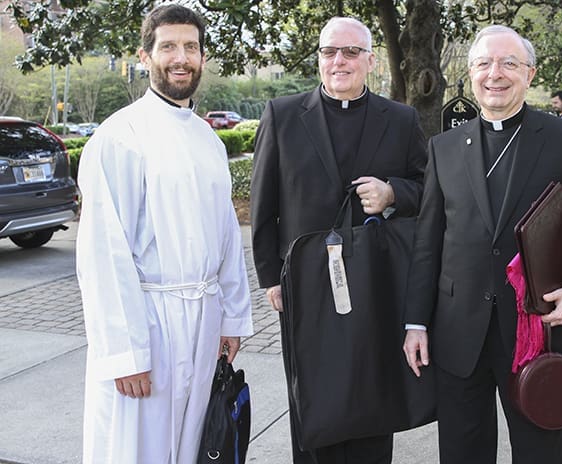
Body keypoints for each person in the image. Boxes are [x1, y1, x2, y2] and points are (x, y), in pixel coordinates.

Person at [403, 25, 562, 463]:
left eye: (509, 63)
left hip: (539, 331)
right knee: (462, 453)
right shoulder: (444, 148)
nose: (496, 74)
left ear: (530, 74)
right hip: (458, 333)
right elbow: (428, 243)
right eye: (484, 63)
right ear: (471, 73)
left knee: (542, 453)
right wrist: (416, 322)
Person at [76, 5, 253, 463]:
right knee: (140, 448)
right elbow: (103, 253)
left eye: (190, 47)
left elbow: (228, 238)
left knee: (195, 443)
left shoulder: (209, 140)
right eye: (169, 46)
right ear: (144, 55)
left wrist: (231, 317)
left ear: (202, 57)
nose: (181, 57)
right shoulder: (120, 136)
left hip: (204, 321)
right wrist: (125, 353)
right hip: (149, 328)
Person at [251, 16, 427, 464]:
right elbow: (263, 202)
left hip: (375, 281)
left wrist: (392, 192)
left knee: (371, 391)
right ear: (319, 60)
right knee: (312, 395)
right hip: (305, 282)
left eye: (351, 52)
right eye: (330, 52)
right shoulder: (283, 114)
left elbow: (429, 189)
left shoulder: (402, 119)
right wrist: (271, 276)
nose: (339, 61)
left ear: (370, 60)